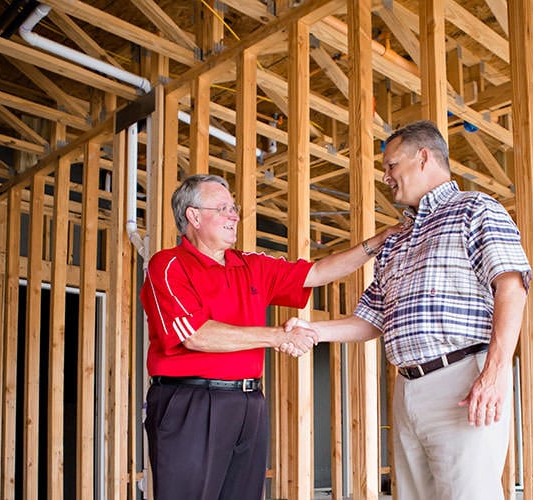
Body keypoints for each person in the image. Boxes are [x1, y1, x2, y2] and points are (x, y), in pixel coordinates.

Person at [285, 120, 531, 499]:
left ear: (422, 157)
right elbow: (370, 319)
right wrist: (314, 330)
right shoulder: (397, 240)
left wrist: (494, 372)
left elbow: (511, 288)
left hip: (463, 381)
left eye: (390, 165)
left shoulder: (476, 210)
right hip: (407, 388)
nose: (385, 176)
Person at [140, 173, 396, 500]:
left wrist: (377, 242)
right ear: (193, 215)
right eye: (222, 208)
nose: (234, 215)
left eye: (233, 207)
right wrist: (276, 336)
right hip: (191, 401)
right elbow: (196, 335)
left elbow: (316, 273)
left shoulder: (251, 266)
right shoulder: (169, 265)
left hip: (249, 401)